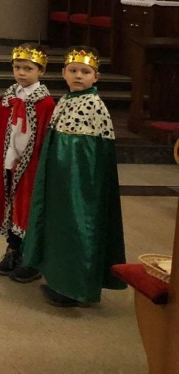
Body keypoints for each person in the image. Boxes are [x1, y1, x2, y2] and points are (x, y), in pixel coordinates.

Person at [21, 47, 126, 307]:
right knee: (60, 227)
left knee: (77, 227)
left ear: (96, 77)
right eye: (73, 70)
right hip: (61, 181)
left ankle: (74, 288)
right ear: (63, 73)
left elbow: (88, 157)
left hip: (78, 187)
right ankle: (60, 279)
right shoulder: (67, 100)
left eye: (85, 72)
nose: (78, 76)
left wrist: (74, 186)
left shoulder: (93, 106)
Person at [0, 44, 55, 282]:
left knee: (27, 210)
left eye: (28, 68)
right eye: (17, 67)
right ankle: (12, 250)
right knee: (11, 208)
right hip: (9, 162)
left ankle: (30, 258)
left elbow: (43, 137)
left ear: (41, 71)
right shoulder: (10, 96)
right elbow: (3, 131)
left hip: (30, 166)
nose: (21, 73)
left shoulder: (45, 102)